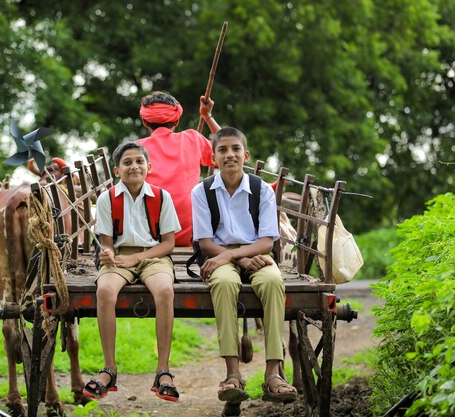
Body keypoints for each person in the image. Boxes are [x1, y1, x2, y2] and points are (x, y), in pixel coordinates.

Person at [191, 127, 298, 403]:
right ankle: (233, 374)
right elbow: (205, 243)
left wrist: (242, 256)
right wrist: (237, 258)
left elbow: (266, 242)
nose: (230, 155)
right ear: (213, 158)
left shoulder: (261, 189)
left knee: (274, 282)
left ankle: (273, 373)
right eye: (223, 150)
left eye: (235, 149)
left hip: (257, 254)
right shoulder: (201, 191)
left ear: (245, 154)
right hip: (218, 254)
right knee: (225, 282)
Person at [83, 142, 182, 402]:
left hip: (153, 256)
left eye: (139, 161)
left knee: (164, 291)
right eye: (127, 162)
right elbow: (106, 242)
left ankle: (163, 370)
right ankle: (109, 369)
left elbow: (169, 243)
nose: (134, 166)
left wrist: (138, 257)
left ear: (149, 167)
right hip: (119, 256)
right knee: (104, 290)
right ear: (117, 170)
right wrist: (107, 253)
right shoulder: (107, 198)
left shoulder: (162, 197)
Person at [137, 91, 221, 246]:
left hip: (149, 237)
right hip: (191, 235)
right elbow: (227, 148)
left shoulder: (137, 149)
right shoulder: (192, 138)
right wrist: (207, 116)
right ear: (176, 121)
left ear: (144, 121)